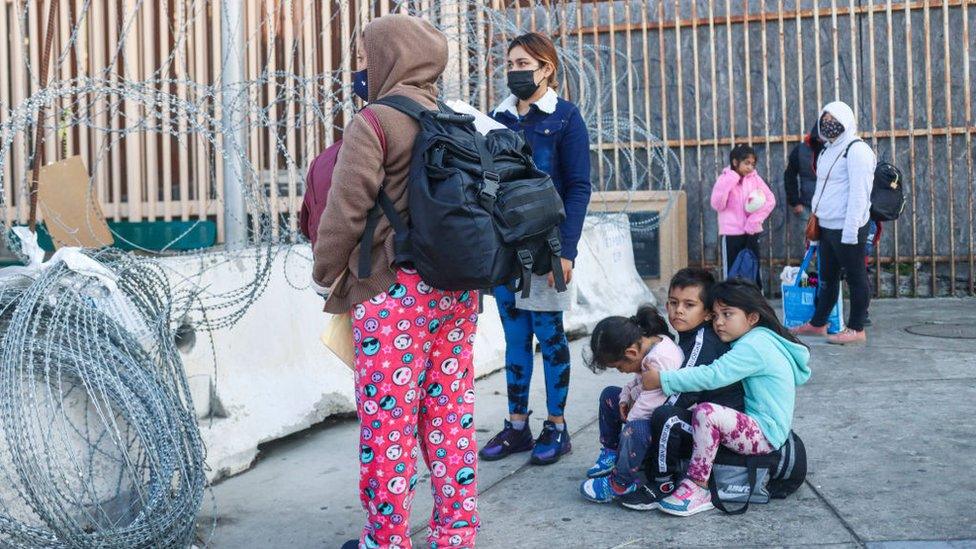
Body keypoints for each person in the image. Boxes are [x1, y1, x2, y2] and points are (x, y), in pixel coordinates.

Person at [311, 15, 479, 549]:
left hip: (393, 294)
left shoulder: (376, 121)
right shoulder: (456, 118)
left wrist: (324, 272)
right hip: (456, 289)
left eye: (364, 56)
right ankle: (456, 533)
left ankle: (386, 539)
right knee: (450, 416)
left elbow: (346, 210)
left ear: (391, 56)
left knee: (389, 424)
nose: (359, 67)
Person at [478, 32, 592, 466]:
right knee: (515, 339)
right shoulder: (496, 119)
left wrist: (567, 251)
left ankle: (557, 426)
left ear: (547, 68)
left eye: (525, 64)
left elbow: (579, 187)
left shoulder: (565, 118)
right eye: (511, 64)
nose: (515, 72)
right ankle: (516, 425)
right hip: (507, 250)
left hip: (546, 249)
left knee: (550, 335)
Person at [642, 280, 811, 517]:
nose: (719, 322)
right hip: (764, 426)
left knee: (706, 414)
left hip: (764, 434)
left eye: (728, 314)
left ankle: (697, 488)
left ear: (752, 318)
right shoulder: (758, 339)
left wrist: (662, 379)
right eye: (716, 315)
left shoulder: (754, 346)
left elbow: (713, 375)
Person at [630, 268, 745, 511]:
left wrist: (638, 422)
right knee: (651, 411)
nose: (678, 310)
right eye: (673, 302)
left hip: (716, 432)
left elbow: (681, 397)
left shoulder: (702, 342)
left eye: (689, 304)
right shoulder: (684, 336)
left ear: (706, 314)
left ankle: (662, 483)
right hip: (699, 417)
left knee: (666, 417)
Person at [577, 306, 684, 507]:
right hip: (648, 405)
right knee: (610, 395)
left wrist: (627, 421)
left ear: (631, 353)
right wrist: (625, 398)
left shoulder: (659, 361)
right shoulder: (648, 344)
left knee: (634, 429)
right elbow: (638, 382)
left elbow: (648, 407)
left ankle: (621, 482)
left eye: (619, 367)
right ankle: (611, 452)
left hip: (664, 425)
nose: (621, 371)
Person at [790, 101, 875, 345]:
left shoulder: (857, 151)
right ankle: (819, 323)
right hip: (826, 226)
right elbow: (823, 188)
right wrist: (815, 219)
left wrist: (850, 232)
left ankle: (857, 328)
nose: (828, 125)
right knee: (827, 277)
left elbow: (860, 195)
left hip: (847, 227)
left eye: (834, 121)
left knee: (856, 277)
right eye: (824, 120)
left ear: (846, 122)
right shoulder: (828, 149)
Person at [711, 144, 776, 287]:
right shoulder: (724, 179)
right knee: (733, 272)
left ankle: (754, 300)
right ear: (735, 162)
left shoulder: (755, 179)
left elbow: (770, 201)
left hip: (752, 233)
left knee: (752, 268)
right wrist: (732, 178)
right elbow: (717, 204)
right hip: (732, 234)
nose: (750, 168)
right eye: (747, 163)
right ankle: (733, 301)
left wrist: (754, 220)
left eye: (753, 164)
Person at [784, 123, 825, 220]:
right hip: (807, 208)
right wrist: (795, 202)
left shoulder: (834, 149)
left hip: (833, 207)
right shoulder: (800, 150)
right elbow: (789, 176)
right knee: (806, 235)